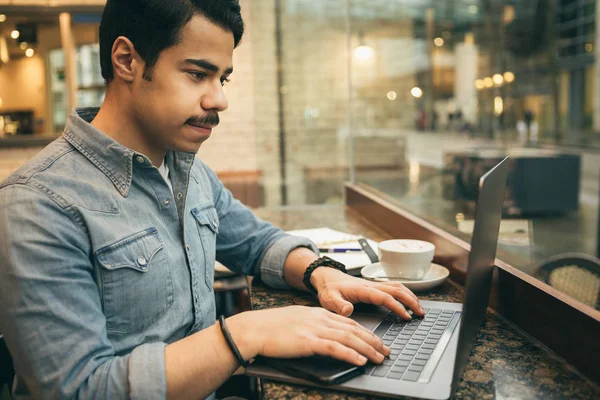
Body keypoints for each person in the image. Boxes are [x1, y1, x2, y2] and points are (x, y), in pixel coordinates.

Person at [0, 1, 423, 399]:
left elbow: (256, 242)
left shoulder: (187, 168)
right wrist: (246, 333)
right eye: (197, 74)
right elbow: (80, 389)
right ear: (127, 61)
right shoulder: (37, 205)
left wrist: (319, 273)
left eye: (223, 78)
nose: (219, 99)